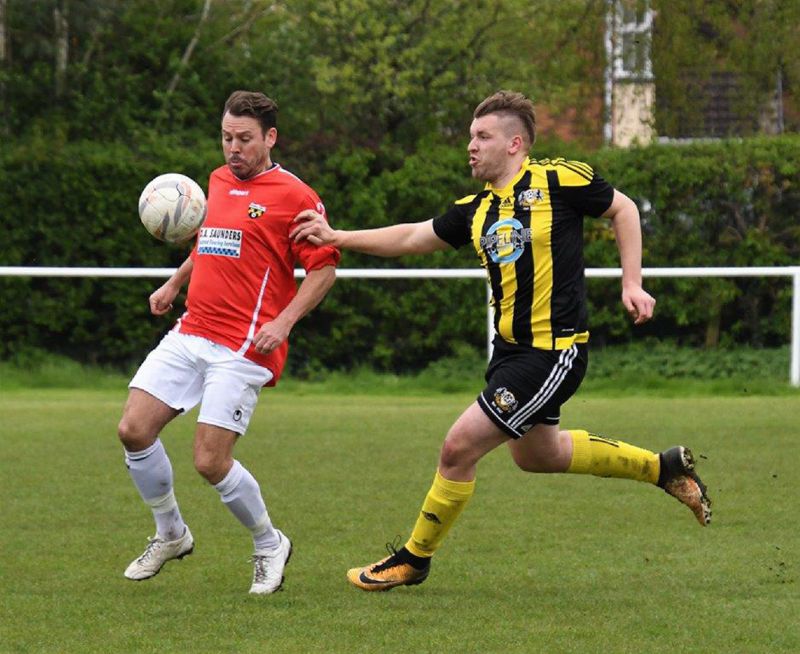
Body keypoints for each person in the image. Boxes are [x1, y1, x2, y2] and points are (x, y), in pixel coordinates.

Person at [290, 90, 711, 592]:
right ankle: (661, 467)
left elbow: (624, 210)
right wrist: (337, 237)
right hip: (512, 353)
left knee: (457, 448)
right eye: (470, 137)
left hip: (553, 352)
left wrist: (632, 282)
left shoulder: (560, 179)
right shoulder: (476, 209)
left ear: (515, 144)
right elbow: (410, 237)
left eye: (482, 137)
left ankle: (413, 558)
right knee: (538, 456)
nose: (471, 146)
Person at [118, 90, 339, 595]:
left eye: (243, 139)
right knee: (133, 429)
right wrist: (175, 284)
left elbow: (324, 271)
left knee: (209, 461)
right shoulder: (213, 184)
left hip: (245, 346)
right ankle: (171, 533)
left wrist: (283, 323)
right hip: (194, 329)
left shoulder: (295, 196)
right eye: (226, 137)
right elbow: (208, 241)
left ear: (270, 138)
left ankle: (268, 543)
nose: (232, 148)